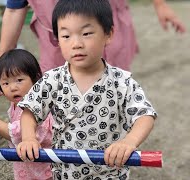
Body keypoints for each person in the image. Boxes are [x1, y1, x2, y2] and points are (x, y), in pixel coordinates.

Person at [17, 0, 157, 179]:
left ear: (109, 34)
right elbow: (30, 111)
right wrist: (29, 137)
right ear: (57, 39)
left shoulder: (122, 81)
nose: (76, 44)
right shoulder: (52, 80)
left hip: (110, 173)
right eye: (66, 36)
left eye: (86, 33)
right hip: (65, 172)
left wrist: (129, 142)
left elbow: (145, 115)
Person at [0, 0, 186, 71]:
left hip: (107, 29)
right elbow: (15, 9)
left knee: (112, 86)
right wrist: (2, 65)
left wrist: (159, 4)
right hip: (56, 44)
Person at [0, 49, 53, 180]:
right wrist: (0, 88)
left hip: (44, 165)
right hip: (28, 161)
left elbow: (12, 133)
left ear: (36, 78)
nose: (12, 88)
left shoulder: (35, 105)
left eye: (19, 80)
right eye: (6, 83)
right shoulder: (18, 99)